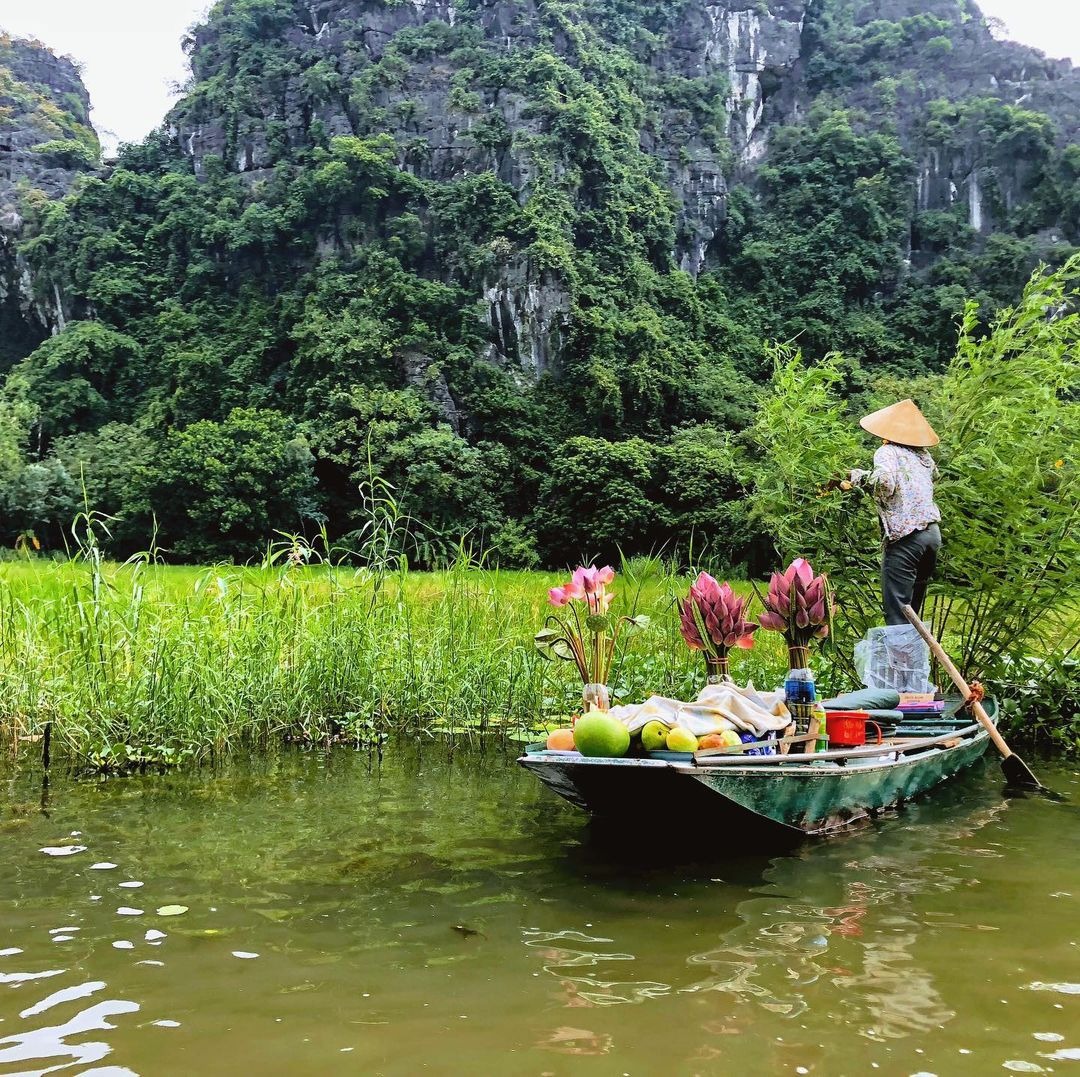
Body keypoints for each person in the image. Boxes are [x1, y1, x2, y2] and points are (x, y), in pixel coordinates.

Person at [840, 399, 942, 625]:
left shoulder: (887, 452)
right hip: (931, 535)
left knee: (898, 613)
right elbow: (933, 477)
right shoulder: (923, 455)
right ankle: (914, 659)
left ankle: (899, 661)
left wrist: (855, 477)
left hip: (907, 536)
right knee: (913, 611)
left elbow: (885, 484)